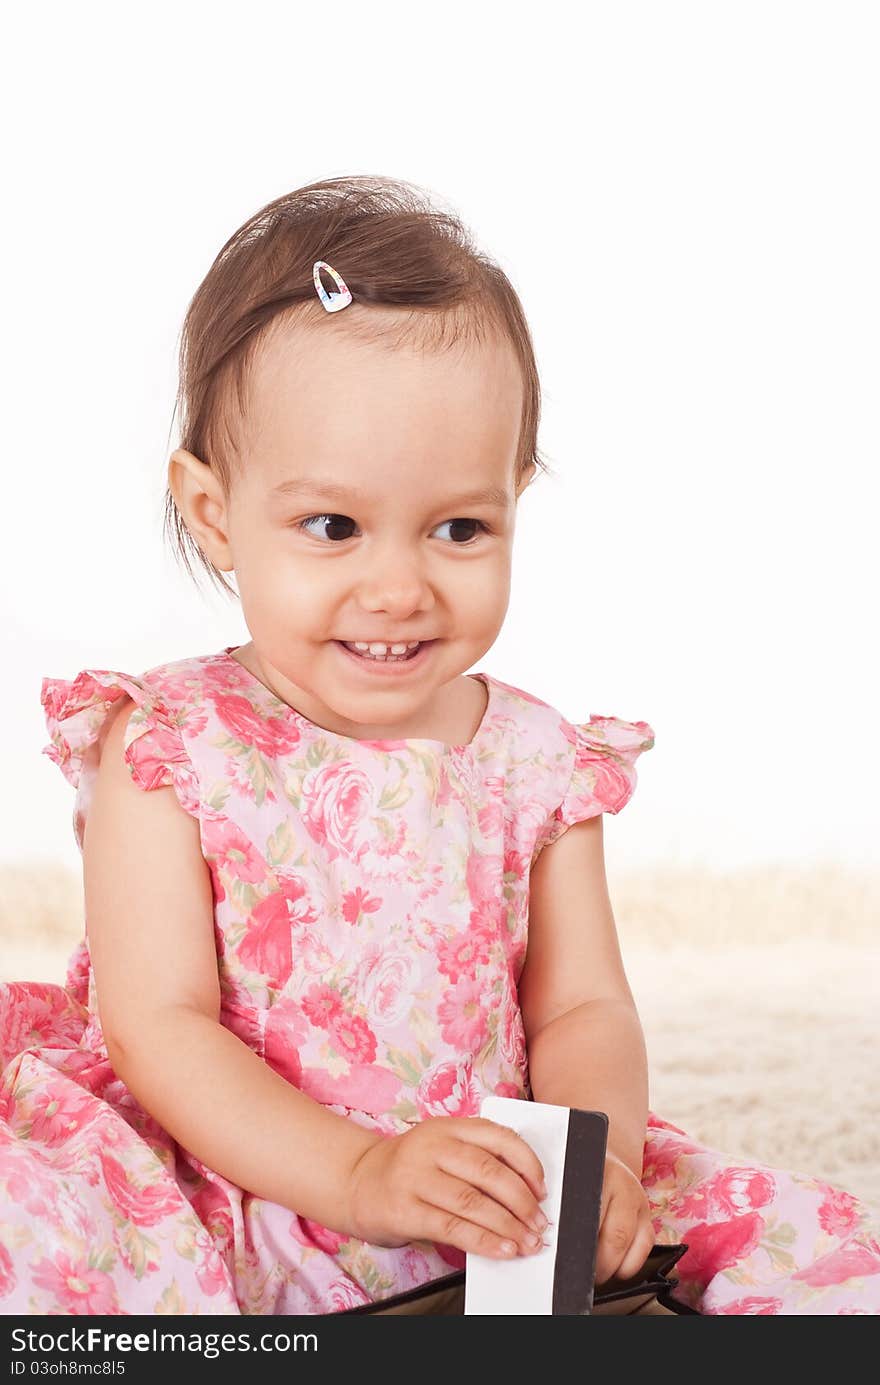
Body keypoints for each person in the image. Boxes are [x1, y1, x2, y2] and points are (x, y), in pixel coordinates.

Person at [1, 176, 877, 1317]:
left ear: (513, 499)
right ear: (216, 514)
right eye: (333, 527)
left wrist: (590, 1158)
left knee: (801, 1256)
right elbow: (159, 1026)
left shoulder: (534, 760)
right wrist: (358, 1173)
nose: (398, 586)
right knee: (46, 1238)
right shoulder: (170, 747)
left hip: (485, 1171)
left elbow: (580, 1010)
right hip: (232, 1156)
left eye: (458, 527)